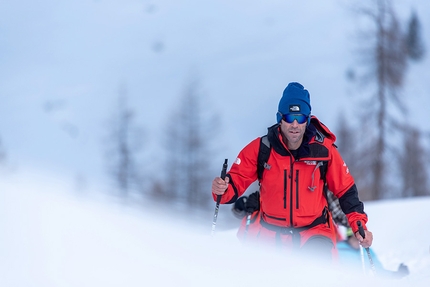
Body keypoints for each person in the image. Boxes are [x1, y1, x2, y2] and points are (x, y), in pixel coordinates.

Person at [212, 82, 373, 261]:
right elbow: (234, 182)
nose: (295, 124)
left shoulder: (324, 151)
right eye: (289, 118)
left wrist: (358, 224)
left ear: (308, 119)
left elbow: (345, 190)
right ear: (280, 118)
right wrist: (222, 189)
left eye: (300, 117)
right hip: (271, 236)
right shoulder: (262, 149)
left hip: (314, 233)